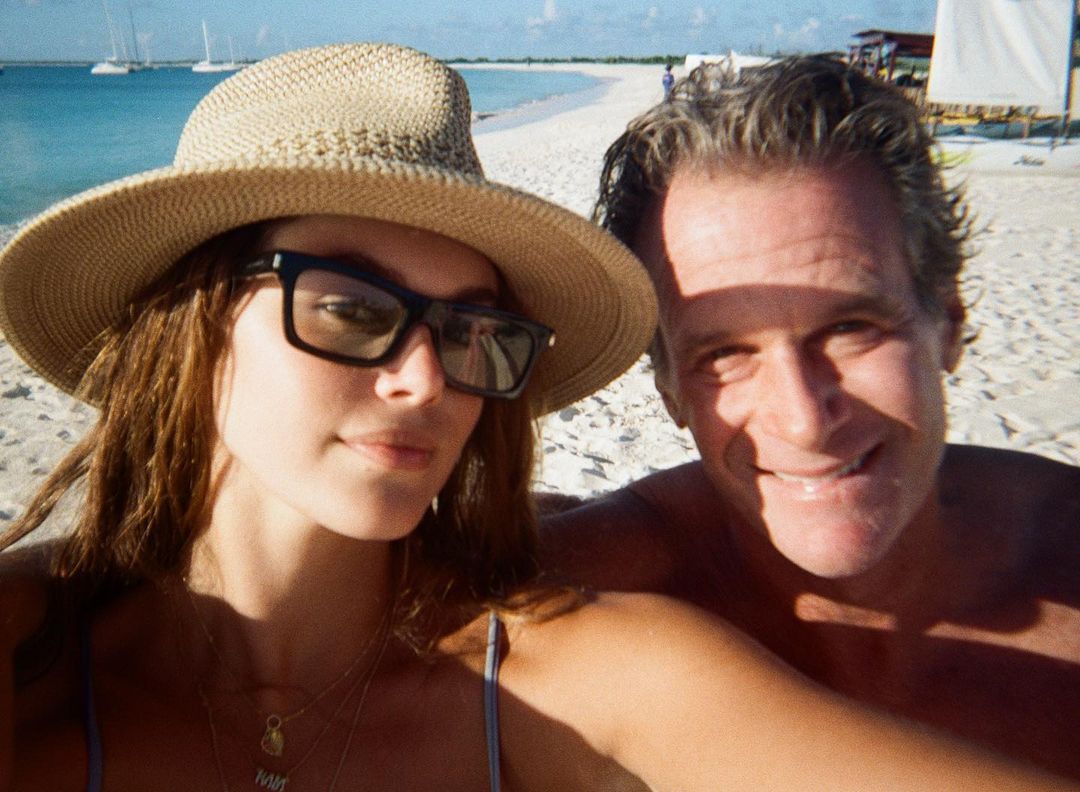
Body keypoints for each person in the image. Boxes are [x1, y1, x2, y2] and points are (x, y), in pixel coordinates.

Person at [0, 43, 1074, 791]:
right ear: (186, 322)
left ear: (950, 326)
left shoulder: (583, 672)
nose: (429, 382)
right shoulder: (29, 650)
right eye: (352, 309)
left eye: (470, 331)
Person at [541, 54, 1080, 780]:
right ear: (669, 388)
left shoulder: (1065, 550)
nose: (803, 421)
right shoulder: (592, 585)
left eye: (851, 328)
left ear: (949, 323)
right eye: (724, 353)